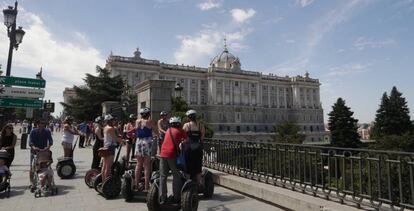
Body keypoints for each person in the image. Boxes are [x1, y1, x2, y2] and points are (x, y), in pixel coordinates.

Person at [159, 117, 187, 204]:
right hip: (171, 155)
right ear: (179, 123)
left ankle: (163, 197)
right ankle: (176, 197)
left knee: (163, 176)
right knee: (176, 176)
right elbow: (187, 140)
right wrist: (182, 142)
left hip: (163, 153)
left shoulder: (168, 130)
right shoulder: (180, 130)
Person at [134, 107, 157, 191]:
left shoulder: (137, 121)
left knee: (138, 164)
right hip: (147, 142)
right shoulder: (150, 122)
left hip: (139, 142)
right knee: (146, 165)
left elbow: (136, 131)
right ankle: (146, 186)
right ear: (148, 115)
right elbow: (156, 131)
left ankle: (136, 185)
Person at [182, 110, 205, 185]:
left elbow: (183, 137)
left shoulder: (186, 125)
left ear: (188, 117)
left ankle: (188, 183)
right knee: (198, 167)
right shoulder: (200, 125)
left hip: (188, 148)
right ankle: (200, 183)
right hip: (198, 148)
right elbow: (202, 138)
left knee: (188, 167)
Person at [29, 119, 53, 188]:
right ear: (37, 124)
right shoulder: (33, 131)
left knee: (46, 166)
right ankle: (32, 183)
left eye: (42, 123)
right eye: (39, 123)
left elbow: (50, 140)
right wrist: (33, 147)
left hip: (44, 151)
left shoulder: (47, 131)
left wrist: (48, 147)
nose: (41, 125)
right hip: (35, 152)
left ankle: (47, 181)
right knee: (33, 167)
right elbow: (30, 141)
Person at [101, 114, 122, 181]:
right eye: (113, 120)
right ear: (110, 121)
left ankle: (103, 181)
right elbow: (115, 138)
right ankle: (106, 183)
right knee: (108, 167)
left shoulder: (105, 127)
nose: (114, 121)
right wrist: (123, 141)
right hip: (110, 148)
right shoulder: (111, 128)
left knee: (104, 166)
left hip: (105, 147)